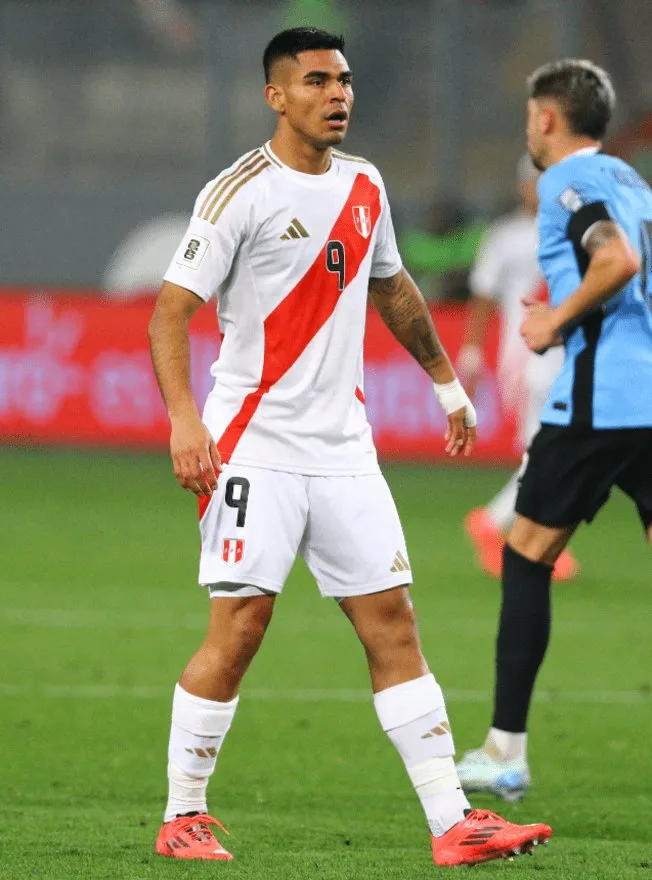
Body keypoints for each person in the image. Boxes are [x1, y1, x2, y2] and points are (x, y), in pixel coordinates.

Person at [147, 27, 551, 867]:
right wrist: (186, 420)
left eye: (346, 81)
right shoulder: (238, 194)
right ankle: (183, 813)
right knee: (243, 627)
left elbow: (391, 284)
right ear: (276, 96)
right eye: (318, 81)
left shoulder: (365, 184)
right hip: (252, 446)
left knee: (393, 623)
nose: (339, 95)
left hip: (344, 453)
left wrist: (445, 380)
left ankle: (453, 823)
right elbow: (169, 314)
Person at [456, 58, 652, 803]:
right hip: (651, 393)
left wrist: (553, 320)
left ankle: (505, 750)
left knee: (527, 554)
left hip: (603, 401)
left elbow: (617, 261)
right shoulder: (634, 183)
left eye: (528, 119)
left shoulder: (568, 185)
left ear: (546, 118)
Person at [459, 157, 579, 581]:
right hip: (524, 354)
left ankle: (532, 542)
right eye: (534, 182)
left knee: (552, 452)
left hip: (560, 351)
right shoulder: (505, 236)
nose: (540, 189)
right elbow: (483, 295)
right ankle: (498, 526)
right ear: (522, 187)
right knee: (549, 452)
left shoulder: (570, 231)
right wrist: (472, 351)